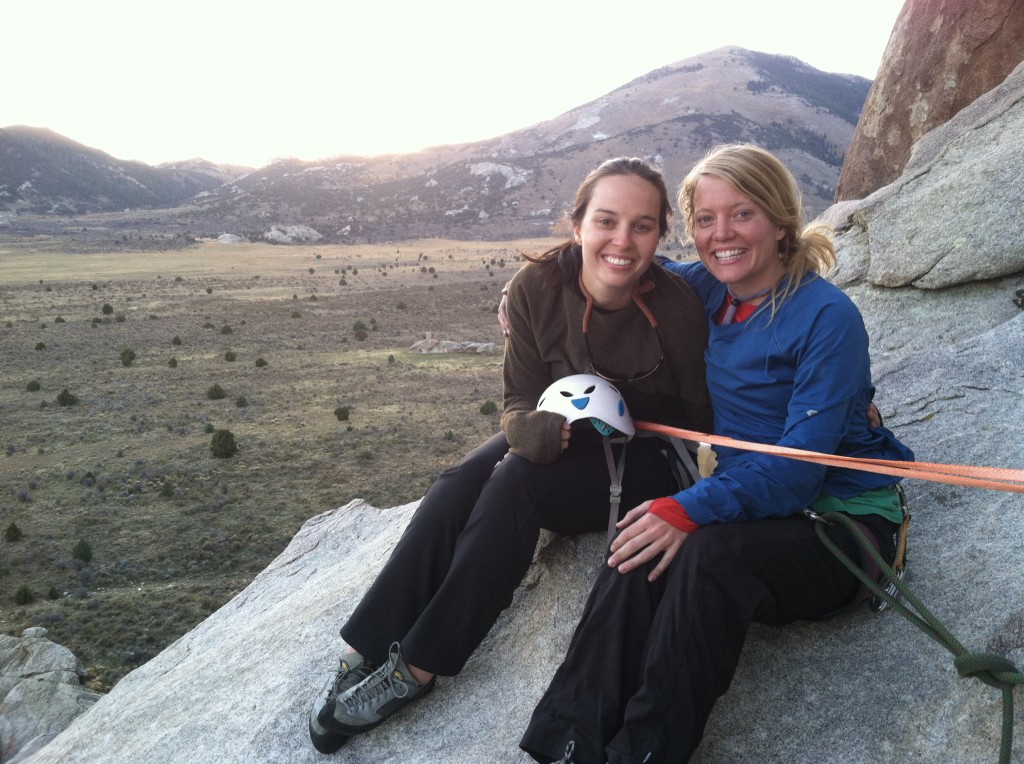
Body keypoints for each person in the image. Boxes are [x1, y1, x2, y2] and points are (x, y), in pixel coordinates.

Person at [518, 143, 915, 764]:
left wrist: (691, 507)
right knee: (638, 538)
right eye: (705, 219)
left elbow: (796, 474)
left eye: (743, 214)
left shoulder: (827, 318)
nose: (720, 234)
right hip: (757, 503)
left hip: (842, 523)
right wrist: (531, 292)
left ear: (781, 222)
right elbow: (616, 265)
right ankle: (566, 743)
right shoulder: (701, 288)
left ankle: (645, 752)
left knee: (702, 550)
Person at [308, 157, 714, 754]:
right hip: (564, 425)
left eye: (643, 225)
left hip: (648, 451)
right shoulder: (535, 288)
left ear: (661, 234)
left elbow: (703, 421)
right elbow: (518, 397)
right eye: (606, 220)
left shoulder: (677, 307)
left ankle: (417, 667)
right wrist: (525, 428)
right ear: (577, 225)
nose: (623, 241)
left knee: (515, 483)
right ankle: (367, 643)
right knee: (458, 481)